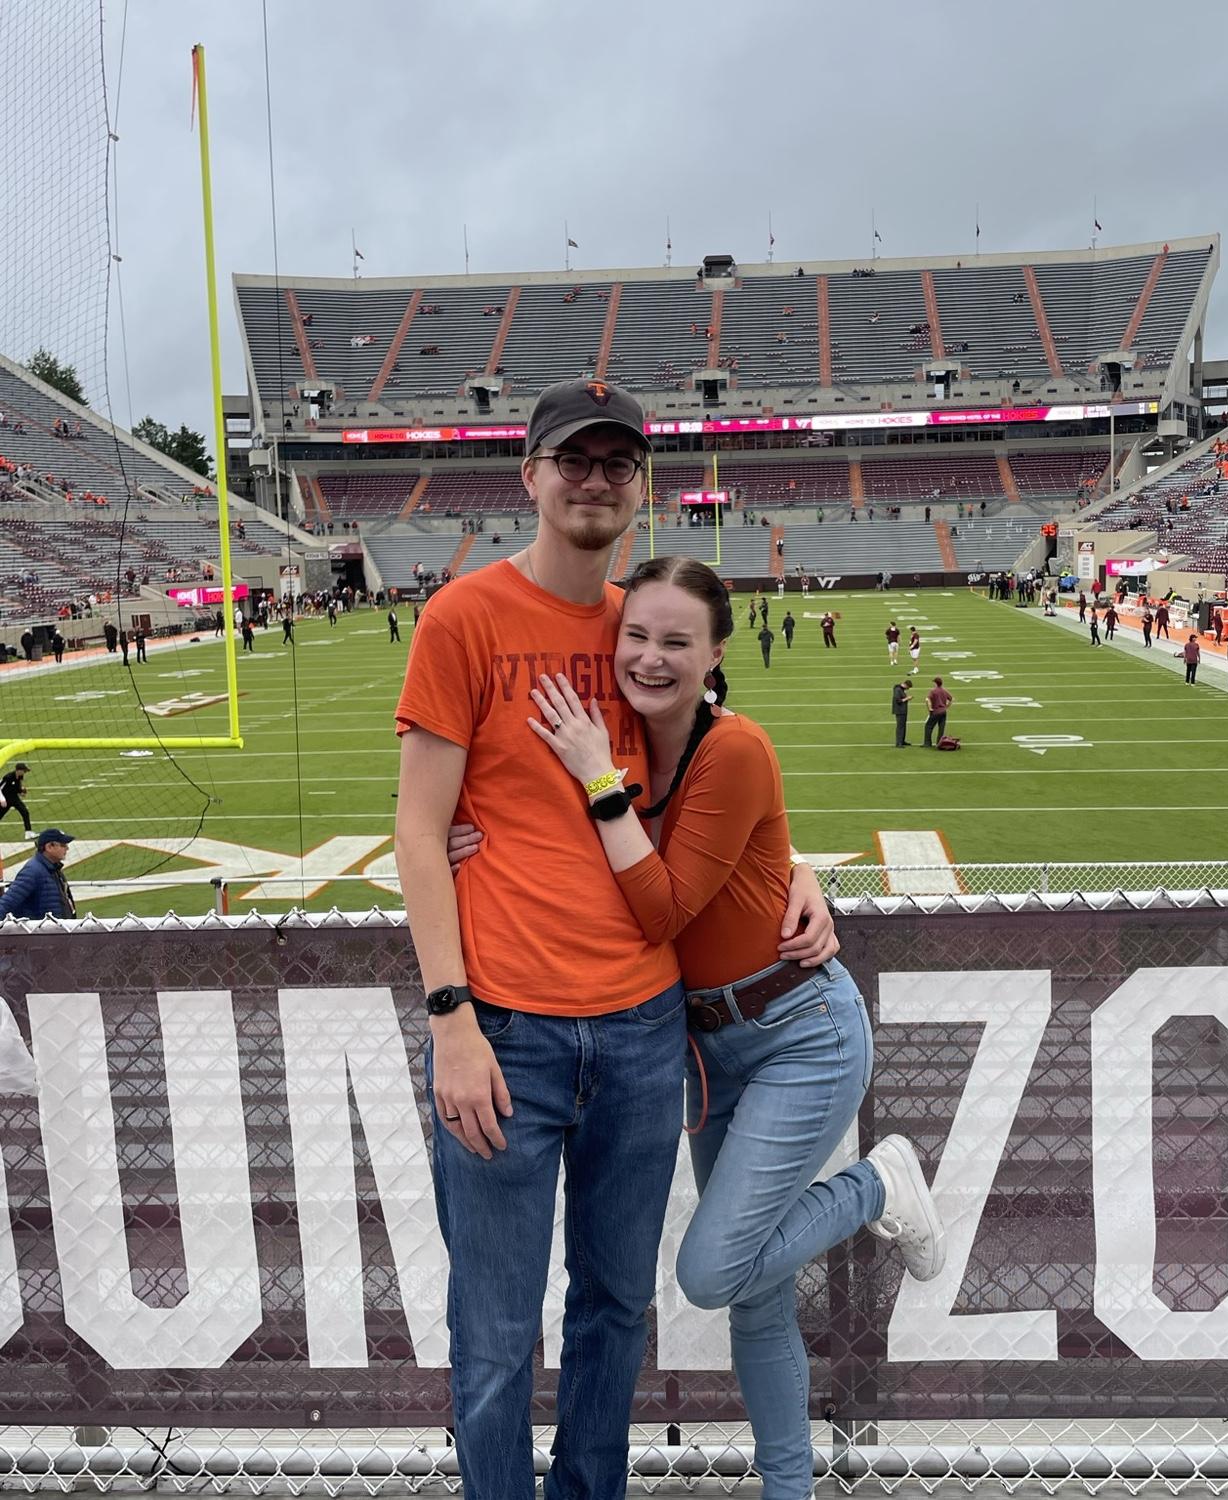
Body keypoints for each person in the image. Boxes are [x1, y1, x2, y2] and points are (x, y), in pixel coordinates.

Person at [392, 379, 837, 1500]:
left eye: (616, 463)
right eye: (572, 460)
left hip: (643, 1031)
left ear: (639, 489)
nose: (593, 480)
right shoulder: (464, 618)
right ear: (530, 476)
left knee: (611, 1315)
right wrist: (451, 1019)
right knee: (493, 1336)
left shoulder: (645, 623)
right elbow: (415, 822)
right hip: (508, 1030)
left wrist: (802, 871)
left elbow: (720, 771)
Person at [512, 557, 942, 1500]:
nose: (652, 657)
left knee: (713, 1271)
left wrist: (596, 780)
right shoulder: (617, 739)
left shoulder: (727, 747)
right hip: (706, 1047)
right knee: (755, 1298)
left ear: (714, 654)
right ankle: (791, 1490)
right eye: (638, 636)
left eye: (677, 641)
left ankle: (879, 1186)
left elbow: (663, 909)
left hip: (797, 1028)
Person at [0, 829, 76, 920]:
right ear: (49, 847)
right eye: (63, 845)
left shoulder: (53, 868)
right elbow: (7, 902)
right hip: (42, 931)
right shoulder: (32, 871)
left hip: (54, 930)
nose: (67, 848)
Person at [0, 763, 32, 834]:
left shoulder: (20, 776)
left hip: (14, 798)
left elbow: (17, 786)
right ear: (19, 770)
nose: (25, 772)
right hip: (5, 799)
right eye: (24, 771)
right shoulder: (8, 777)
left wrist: (21, 791)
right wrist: (2, 800)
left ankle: (28, 833)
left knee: (25, 812)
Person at [923, 677, 953, 748]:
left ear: (935, 683)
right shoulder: (944, 690)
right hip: (943, 712)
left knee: (928, 726)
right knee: (941, 728)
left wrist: (930, 709)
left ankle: (927, 743)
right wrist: (946, 707)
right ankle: (939, 743)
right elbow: (951, 699)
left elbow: (928, 700)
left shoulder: (933, 691)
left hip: (936, 711)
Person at [892, 678, 911, 747]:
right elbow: (898, 700)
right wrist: (907, 698)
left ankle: (902, 741)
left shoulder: (901, 689)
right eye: (908, 687)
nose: (908, 689)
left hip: (903, 711)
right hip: (899, 711)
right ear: (905, 685)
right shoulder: (898, 690)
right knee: (900, 727)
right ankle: (898, 743)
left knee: (903, 726)